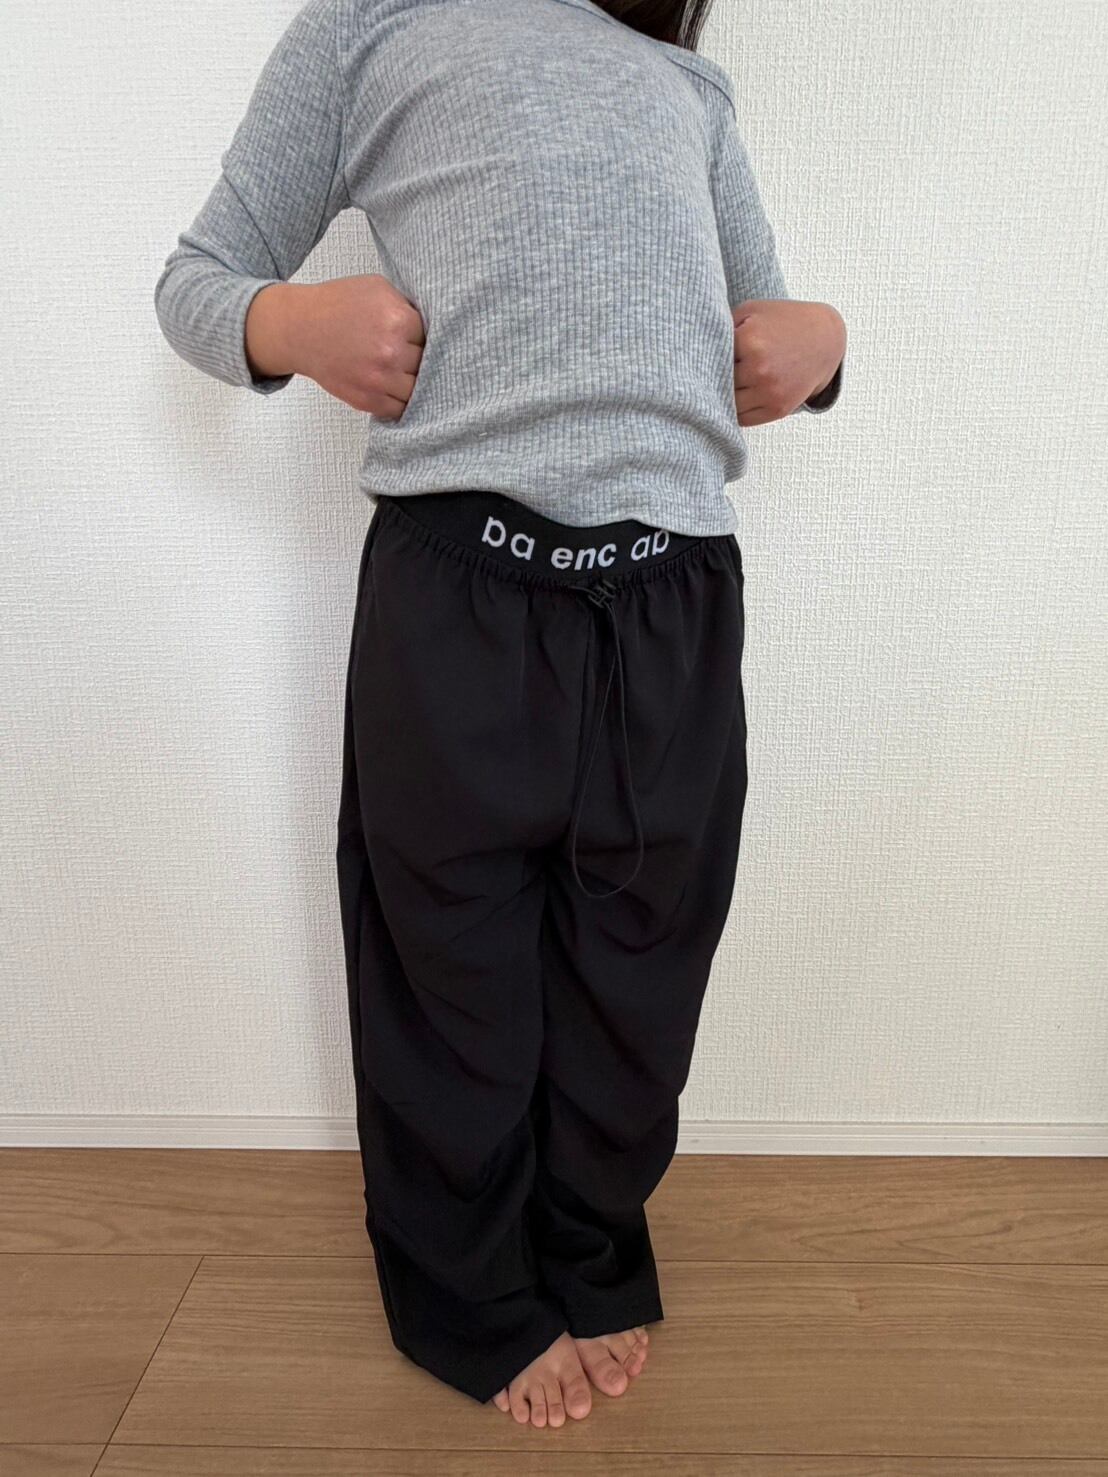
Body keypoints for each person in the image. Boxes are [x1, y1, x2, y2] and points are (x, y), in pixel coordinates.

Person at [154, 0, 846, 1430]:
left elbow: (762, 330)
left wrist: (821, 345)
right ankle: (467, 1290)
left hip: (672, 595)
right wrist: (291, 322)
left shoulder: (686, 88)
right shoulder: (372, 27)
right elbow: (198, 279)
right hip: (459, 586)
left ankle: (587, 1238)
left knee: (641, 967)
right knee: (447, 965)